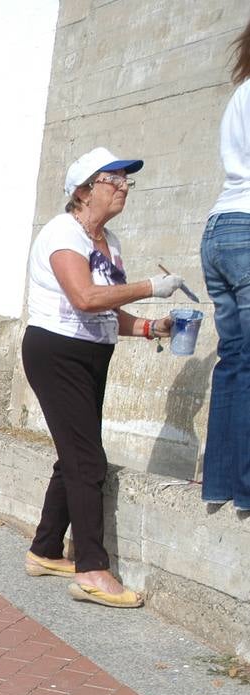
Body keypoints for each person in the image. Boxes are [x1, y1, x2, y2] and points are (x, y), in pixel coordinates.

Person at [22, 147, 184, 609]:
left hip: (93, 354)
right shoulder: (62, 234)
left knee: (74, 455)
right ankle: (92, 568)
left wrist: (152, 325)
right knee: (87, 461)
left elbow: (110, 312)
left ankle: (46, 548)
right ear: (83, 190)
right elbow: (87, 296)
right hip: (56, 352)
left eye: (127, 180)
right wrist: (153, 287)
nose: (124, 187)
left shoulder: (108, 242)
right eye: (114, 180)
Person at [201, 20, 250, 512]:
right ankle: (247, 490)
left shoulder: (241, 95)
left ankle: (222, 487)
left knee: (234, 360)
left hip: (220, 227)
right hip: (248, 230)